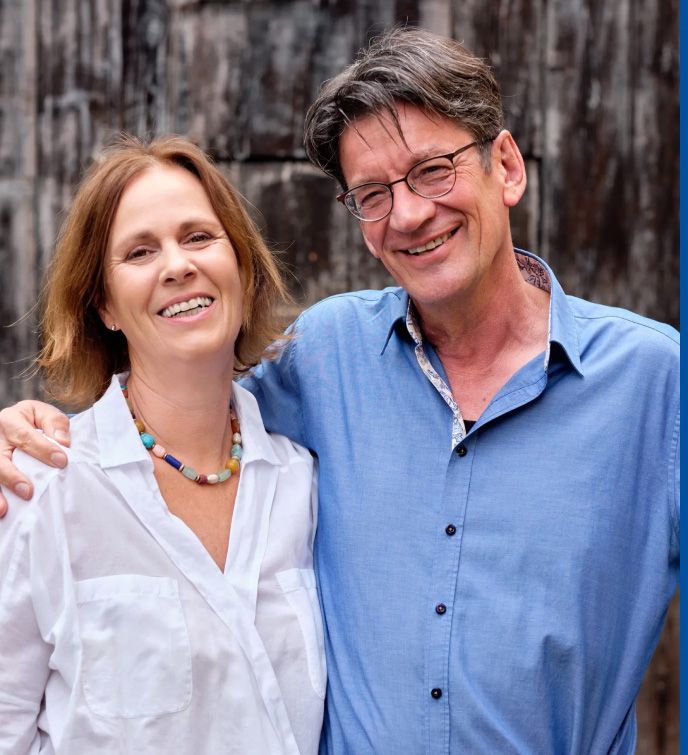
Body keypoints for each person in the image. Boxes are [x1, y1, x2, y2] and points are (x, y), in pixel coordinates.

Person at [0, 27, 679, 754]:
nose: (409, 214)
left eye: (433, 171)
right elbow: (179, 396)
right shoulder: (327, 358)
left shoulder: (657, 384)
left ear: (506, 166)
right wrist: (20, 431)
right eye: (373, 194)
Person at [0, 136, 325, 753]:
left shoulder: (304, 483)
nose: (177, 265)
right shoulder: (41, 490)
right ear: (104, 305)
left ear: (242, 267)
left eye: (198, 237)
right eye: (140, 251)